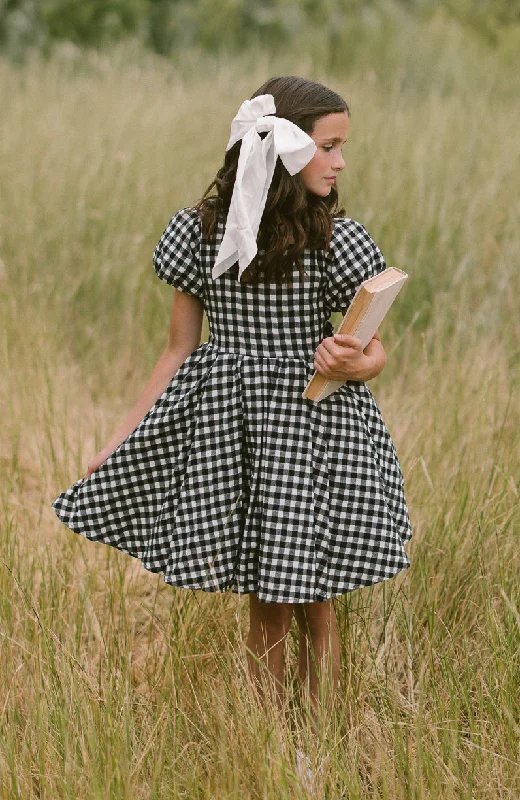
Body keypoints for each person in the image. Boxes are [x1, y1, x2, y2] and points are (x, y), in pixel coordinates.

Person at [51, 75, 412, 743]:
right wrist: (119, 439)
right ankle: (270, 746)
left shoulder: (336, 237)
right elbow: (177, 350)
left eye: (341, 148)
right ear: (282, 152)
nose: (339, 162)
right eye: (327, 147)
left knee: (318, 599)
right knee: (270, 602)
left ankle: (319, 742)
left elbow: (374, 350)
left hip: (317, 427)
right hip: (237, 430)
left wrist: (350, 361)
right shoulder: (202, 233)